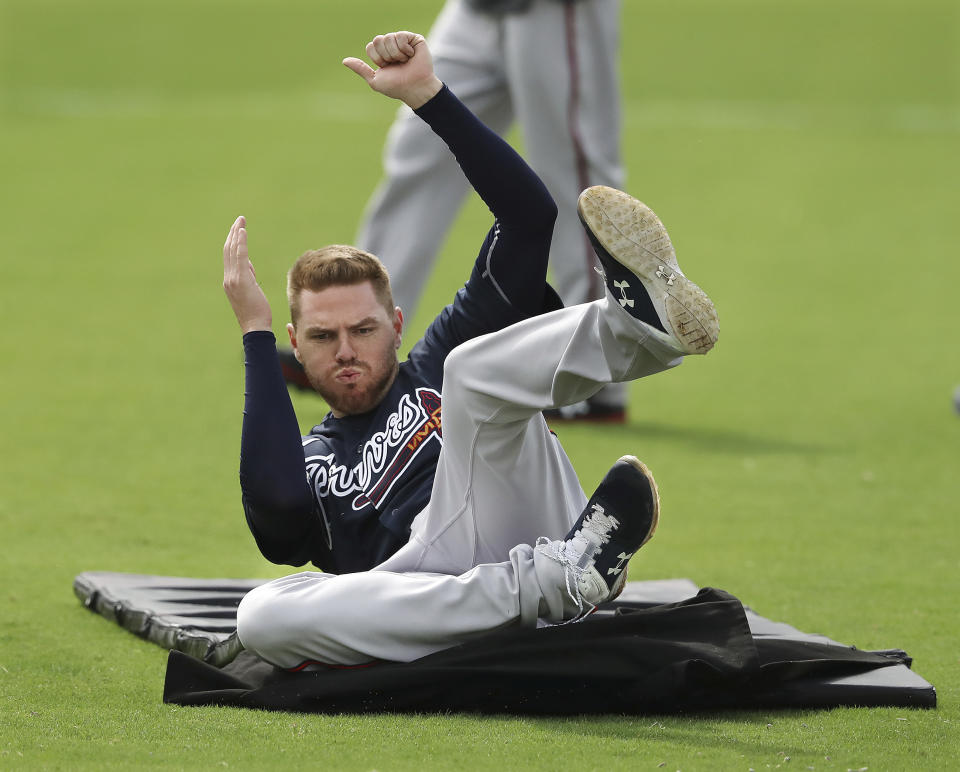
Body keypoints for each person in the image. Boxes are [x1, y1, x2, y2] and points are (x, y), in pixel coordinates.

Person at [221, 30, 717, 667]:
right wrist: (254, 334)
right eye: (322, 337)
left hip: (539, 525)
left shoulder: (433, 362)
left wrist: (431, 98)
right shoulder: (309, 463)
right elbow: (278, 514)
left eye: (364, 330)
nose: (346, 350)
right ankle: (554, 585)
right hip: (424, 591)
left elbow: (529, 217)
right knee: (260, 615)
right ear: (296, 344)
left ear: (396, 323)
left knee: (470, 369)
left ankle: (643, 328)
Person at [282, 0, 629, 422]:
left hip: (554, 10)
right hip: (474, 9)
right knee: (418, 149)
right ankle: (353, 334)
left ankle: (594, 375)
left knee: (573, 176)